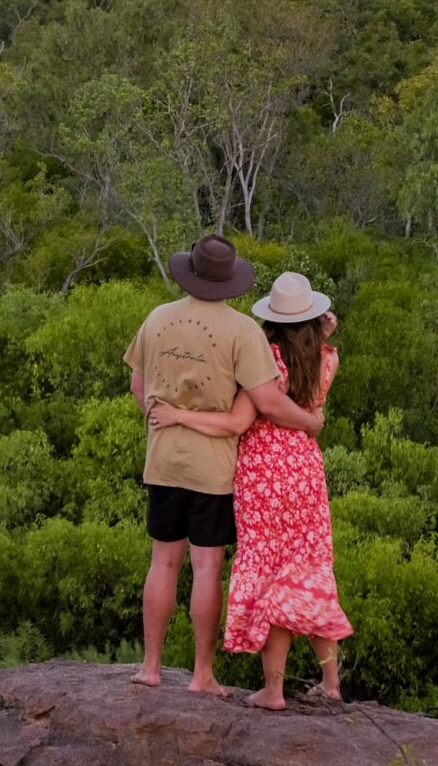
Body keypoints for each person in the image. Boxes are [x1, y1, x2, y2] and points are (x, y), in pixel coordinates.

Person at [124, 234, 327, 696]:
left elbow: (139, 387)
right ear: (230, 281)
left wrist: (164, 423)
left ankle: (150, 667)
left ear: (190, 273)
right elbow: (269, 402)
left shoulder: (156, 319)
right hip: (213, 467)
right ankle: (202, 676)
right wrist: (311, 423)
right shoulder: (242, 331)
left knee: (162, 562)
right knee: (206, 567)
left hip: (163, 460)